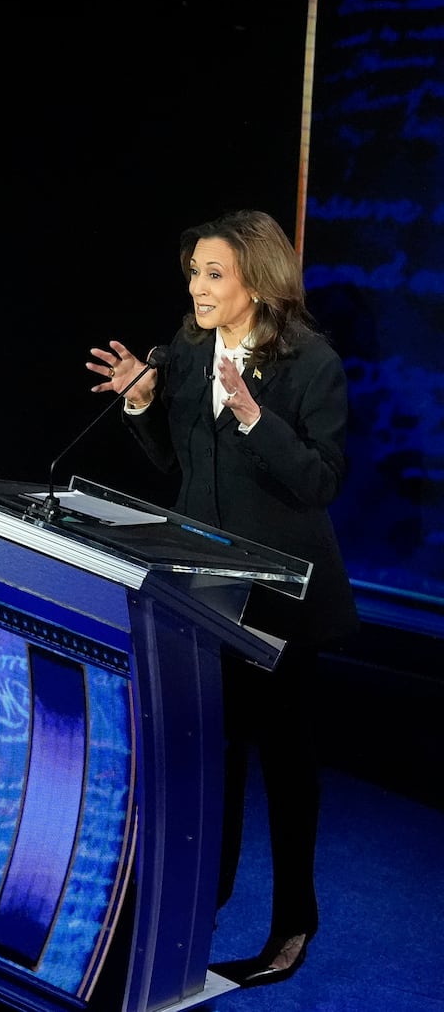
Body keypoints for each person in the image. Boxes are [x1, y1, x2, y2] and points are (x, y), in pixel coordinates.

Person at [86, 208, 357, 989]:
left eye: (213, 273)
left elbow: (321, 480)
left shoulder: (311, 364)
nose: (197, 287)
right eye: (194, 272)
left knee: (286, 764)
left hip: (284, 600)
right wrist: (140, 399)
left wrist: (251, 414)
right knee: (214, 755)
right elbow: (182, 467)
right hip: (204, 592)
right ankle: (203, 899)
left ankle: (293, 922)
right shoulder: (187, 352)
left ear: (258, 281)